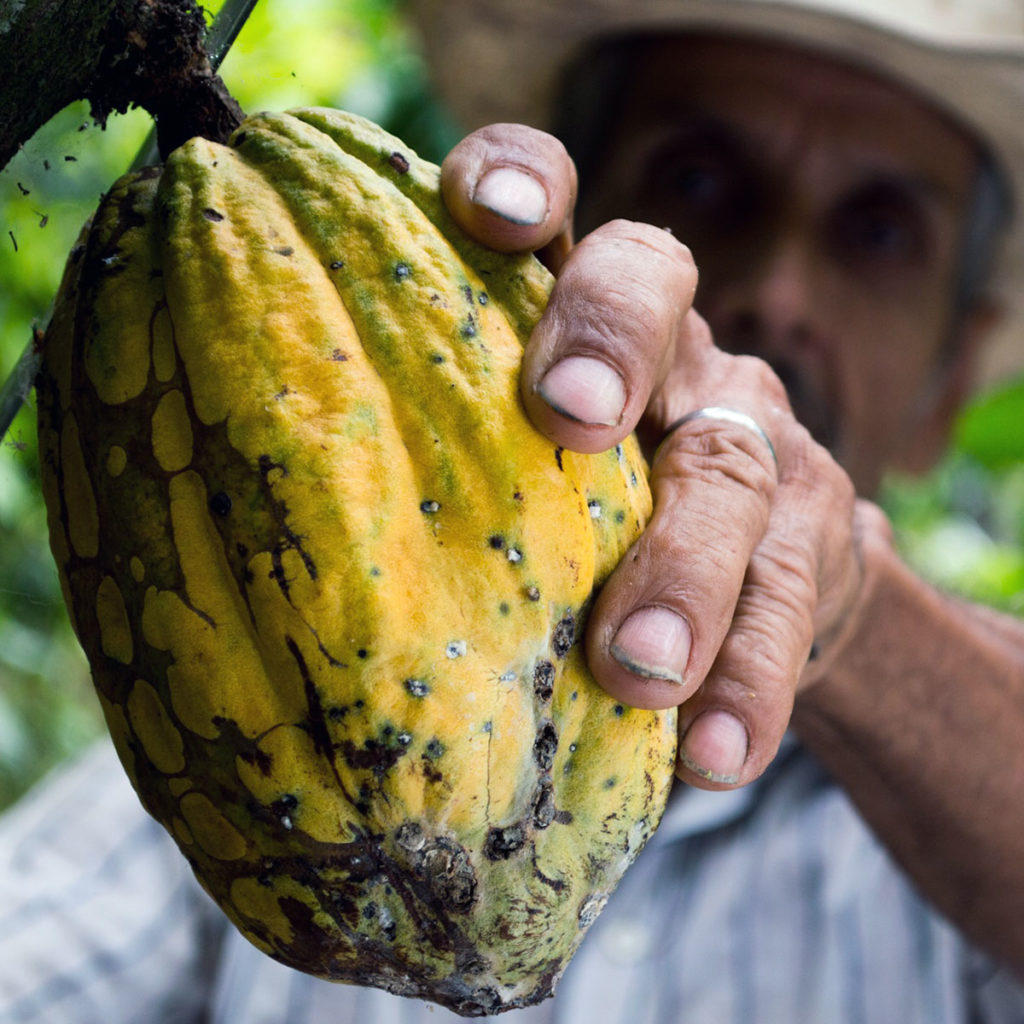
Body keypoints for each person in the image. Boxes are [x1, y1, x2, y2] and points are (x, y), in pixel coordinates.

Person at [2, 0, 1024, 1020]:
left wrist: (848, 613)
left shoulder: (952, 851)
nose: (779, 291)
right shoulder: (238, 727)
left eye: (878, 231)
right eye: (700, 179)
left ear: (951, 380)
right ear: (549, 244)